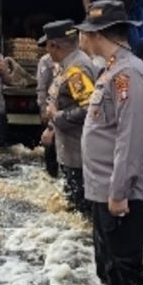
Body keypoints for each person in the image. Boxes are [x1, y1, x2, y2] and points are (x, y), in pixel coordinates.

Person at [78, 0, 143, 285]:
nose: (80, 38)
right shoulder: (109, 70)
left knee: (128, 268)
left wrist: (119, 191)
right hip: (103, 190)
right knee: (109, 265)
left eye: (83, 32)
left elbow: (130, 137)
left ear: (96, 34)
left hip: (122, 194)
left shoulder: (128, 74)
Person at [40, 20, 96, 216]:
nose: (47, 51)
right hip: (70, 150)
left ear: (54, 46)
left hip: (78, 155)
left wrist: (58, 116)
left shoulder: (76, 69)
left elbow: (89, 108)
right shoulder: (67, 65)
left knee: (82, 212)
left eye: (47, 45)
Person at [36, 48, 60, 178]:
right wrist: (43, 109)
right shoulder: (46, 61)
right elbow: (41, 87)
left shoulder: (76, 61)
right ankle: (51, 173)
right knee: (50, 147)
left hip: (62, 112)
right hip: (51, 110)